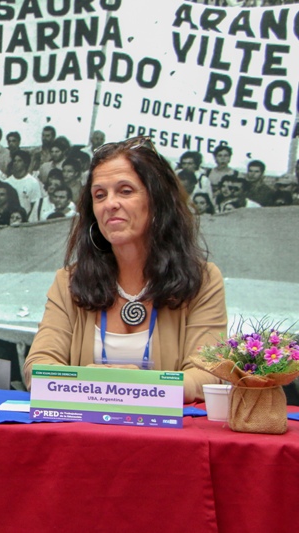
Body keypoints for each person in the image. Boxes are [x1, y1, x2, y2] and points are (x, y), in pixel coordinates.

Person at [23, 136, 227, 403]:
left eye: (125, 191)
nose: (110, 204)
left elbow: (208, 373)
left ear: (157, 201)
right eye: (100, 195)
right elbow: (38, 368)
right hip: (86, 426)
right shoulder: (69, 281)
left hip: (165, 429)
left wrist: (134, 385)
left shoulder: (203, 280)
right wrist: (98, 383)